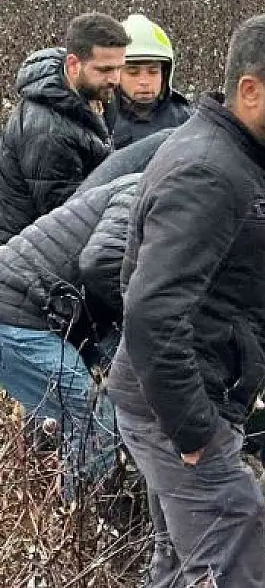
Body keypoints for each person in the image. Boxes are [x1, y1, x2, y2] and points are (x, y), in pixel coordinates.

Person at [103, 14, 265, 587]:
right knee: (232, 530)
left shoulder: (234, 158)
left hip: (192, 387)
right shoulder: (212, 171)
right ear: (251, 90)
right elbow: (152, 309)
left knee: (180, 561)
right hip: (177, 405)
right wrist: (193, 431)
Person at [0, 174, 138, 503]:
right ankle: (85, 516)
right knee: (96, 410)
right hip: (16, 315)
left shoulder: (129, 188)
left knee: (85, 410)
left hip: (25, 311)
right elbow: (100, 267)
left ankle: (71, 514)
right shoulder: (138, 194)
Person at [0, 12, 129, 243]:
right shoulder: (48, 133)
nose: (116, 79)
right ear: (72, 64)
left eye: (120, 68)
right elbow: (67, 223)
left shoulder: (92, 94)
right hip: (26, 258)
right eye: (105, 69)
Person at [112, 14, 192, 149]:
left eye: (153, 72)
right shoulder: (98, 121)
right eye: (133, 72)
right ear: (116, 74)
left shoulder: (187, 121)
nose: (144, 81)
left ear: (165, 74)